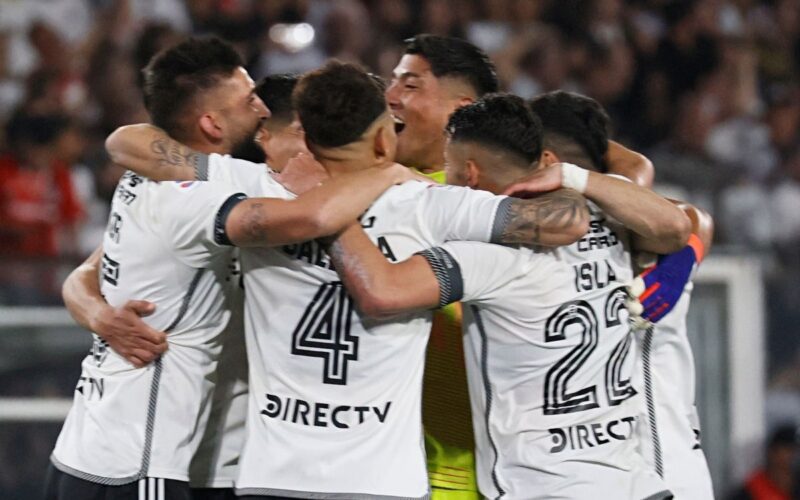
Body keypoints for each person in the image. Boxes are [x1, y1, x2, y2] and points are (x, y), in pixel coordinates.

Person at [106, 60, 591, 498]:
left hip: (272, 478)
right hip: (382, 482)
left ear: (304, 133)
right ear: (384, 139)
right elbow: (567, 222)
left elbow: (127, 143)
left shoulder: (263, 194)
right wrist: (586, 176)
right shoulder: (432, 206)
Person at [49, 37, 413, 500]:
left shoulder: (150, 179)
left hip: (114, 448)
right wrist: (387, 173)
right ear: (211, 122)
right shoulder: (209, 195)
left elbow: (86, 271)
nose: (260, 108)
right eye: (248, 100)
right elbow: (315, 216)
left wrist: (99, 315)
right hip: (143, 458)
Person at [325, 93, 690, 499]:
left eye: (449, 170)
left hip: (546, 487)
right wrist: (573, 177)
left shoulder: (491, 260)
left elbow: (381, 290)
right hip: (636, 484)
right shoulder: (608, 210)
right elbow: (677, 225)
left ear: (470, 175)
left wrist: (326, 211)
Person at [527, 90, 716, 499]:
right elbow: (691, 217)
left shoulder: (635, 229)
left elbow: (680, 209)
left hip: (656, 463)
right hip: (629, 466)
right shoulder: (641, 224)